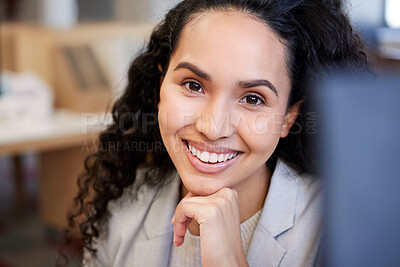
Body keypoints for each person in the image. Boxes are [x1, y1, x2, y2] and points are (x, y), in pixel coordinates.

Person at [63, 0, 368, 266]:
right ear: (160, 86)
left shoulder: (340, 229)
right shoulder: (124, 208)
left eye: (253, 98)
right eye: (193, 85)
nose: (212, 127)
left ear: (289, 117)